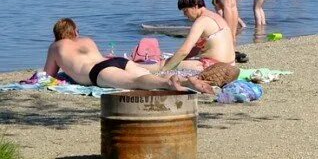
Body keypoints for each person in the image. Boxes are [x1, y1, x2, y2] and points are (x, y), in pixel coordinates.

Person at [43, 18, 212, 93]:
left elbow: (48, 75)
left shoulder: (55, 47)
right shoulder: (86, 40)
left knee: (135, 83)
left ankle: (169, 84)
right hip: (115, 61)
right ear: (75, 32)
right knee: (147, 75)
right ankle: (185, 82)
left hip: (97, 72)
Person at [148, 0, 237, 72]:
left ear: (195, 6)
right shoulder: (215, 17)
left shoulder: (201, 21)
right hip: (231, 65)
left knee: (164, 64)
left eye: (186, 11)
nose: (184, 15)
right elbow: (195, 50)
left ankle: (136, 67)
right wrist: (176, 58)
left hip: (215, 67)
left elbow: (184, 51)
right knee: (174, 60)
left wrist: (165, 69)